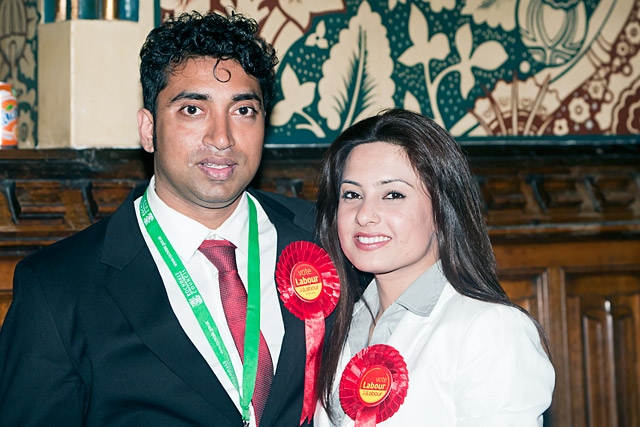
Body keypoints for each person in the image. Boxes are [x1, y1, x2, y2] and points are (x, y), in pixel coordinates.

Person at [0, 11, 317, 427]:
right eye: (192, 109)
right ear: (148, 130)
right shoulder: (58, 288)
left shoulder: (324, 233)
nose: (221, 138)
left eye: (243, 111)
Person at [313, 109, 555, 426]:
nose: (365, 214)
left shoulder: (490, 328)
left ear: (442, 211)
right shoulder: (340, 324)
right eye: (352, 194)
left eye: (393, 194)